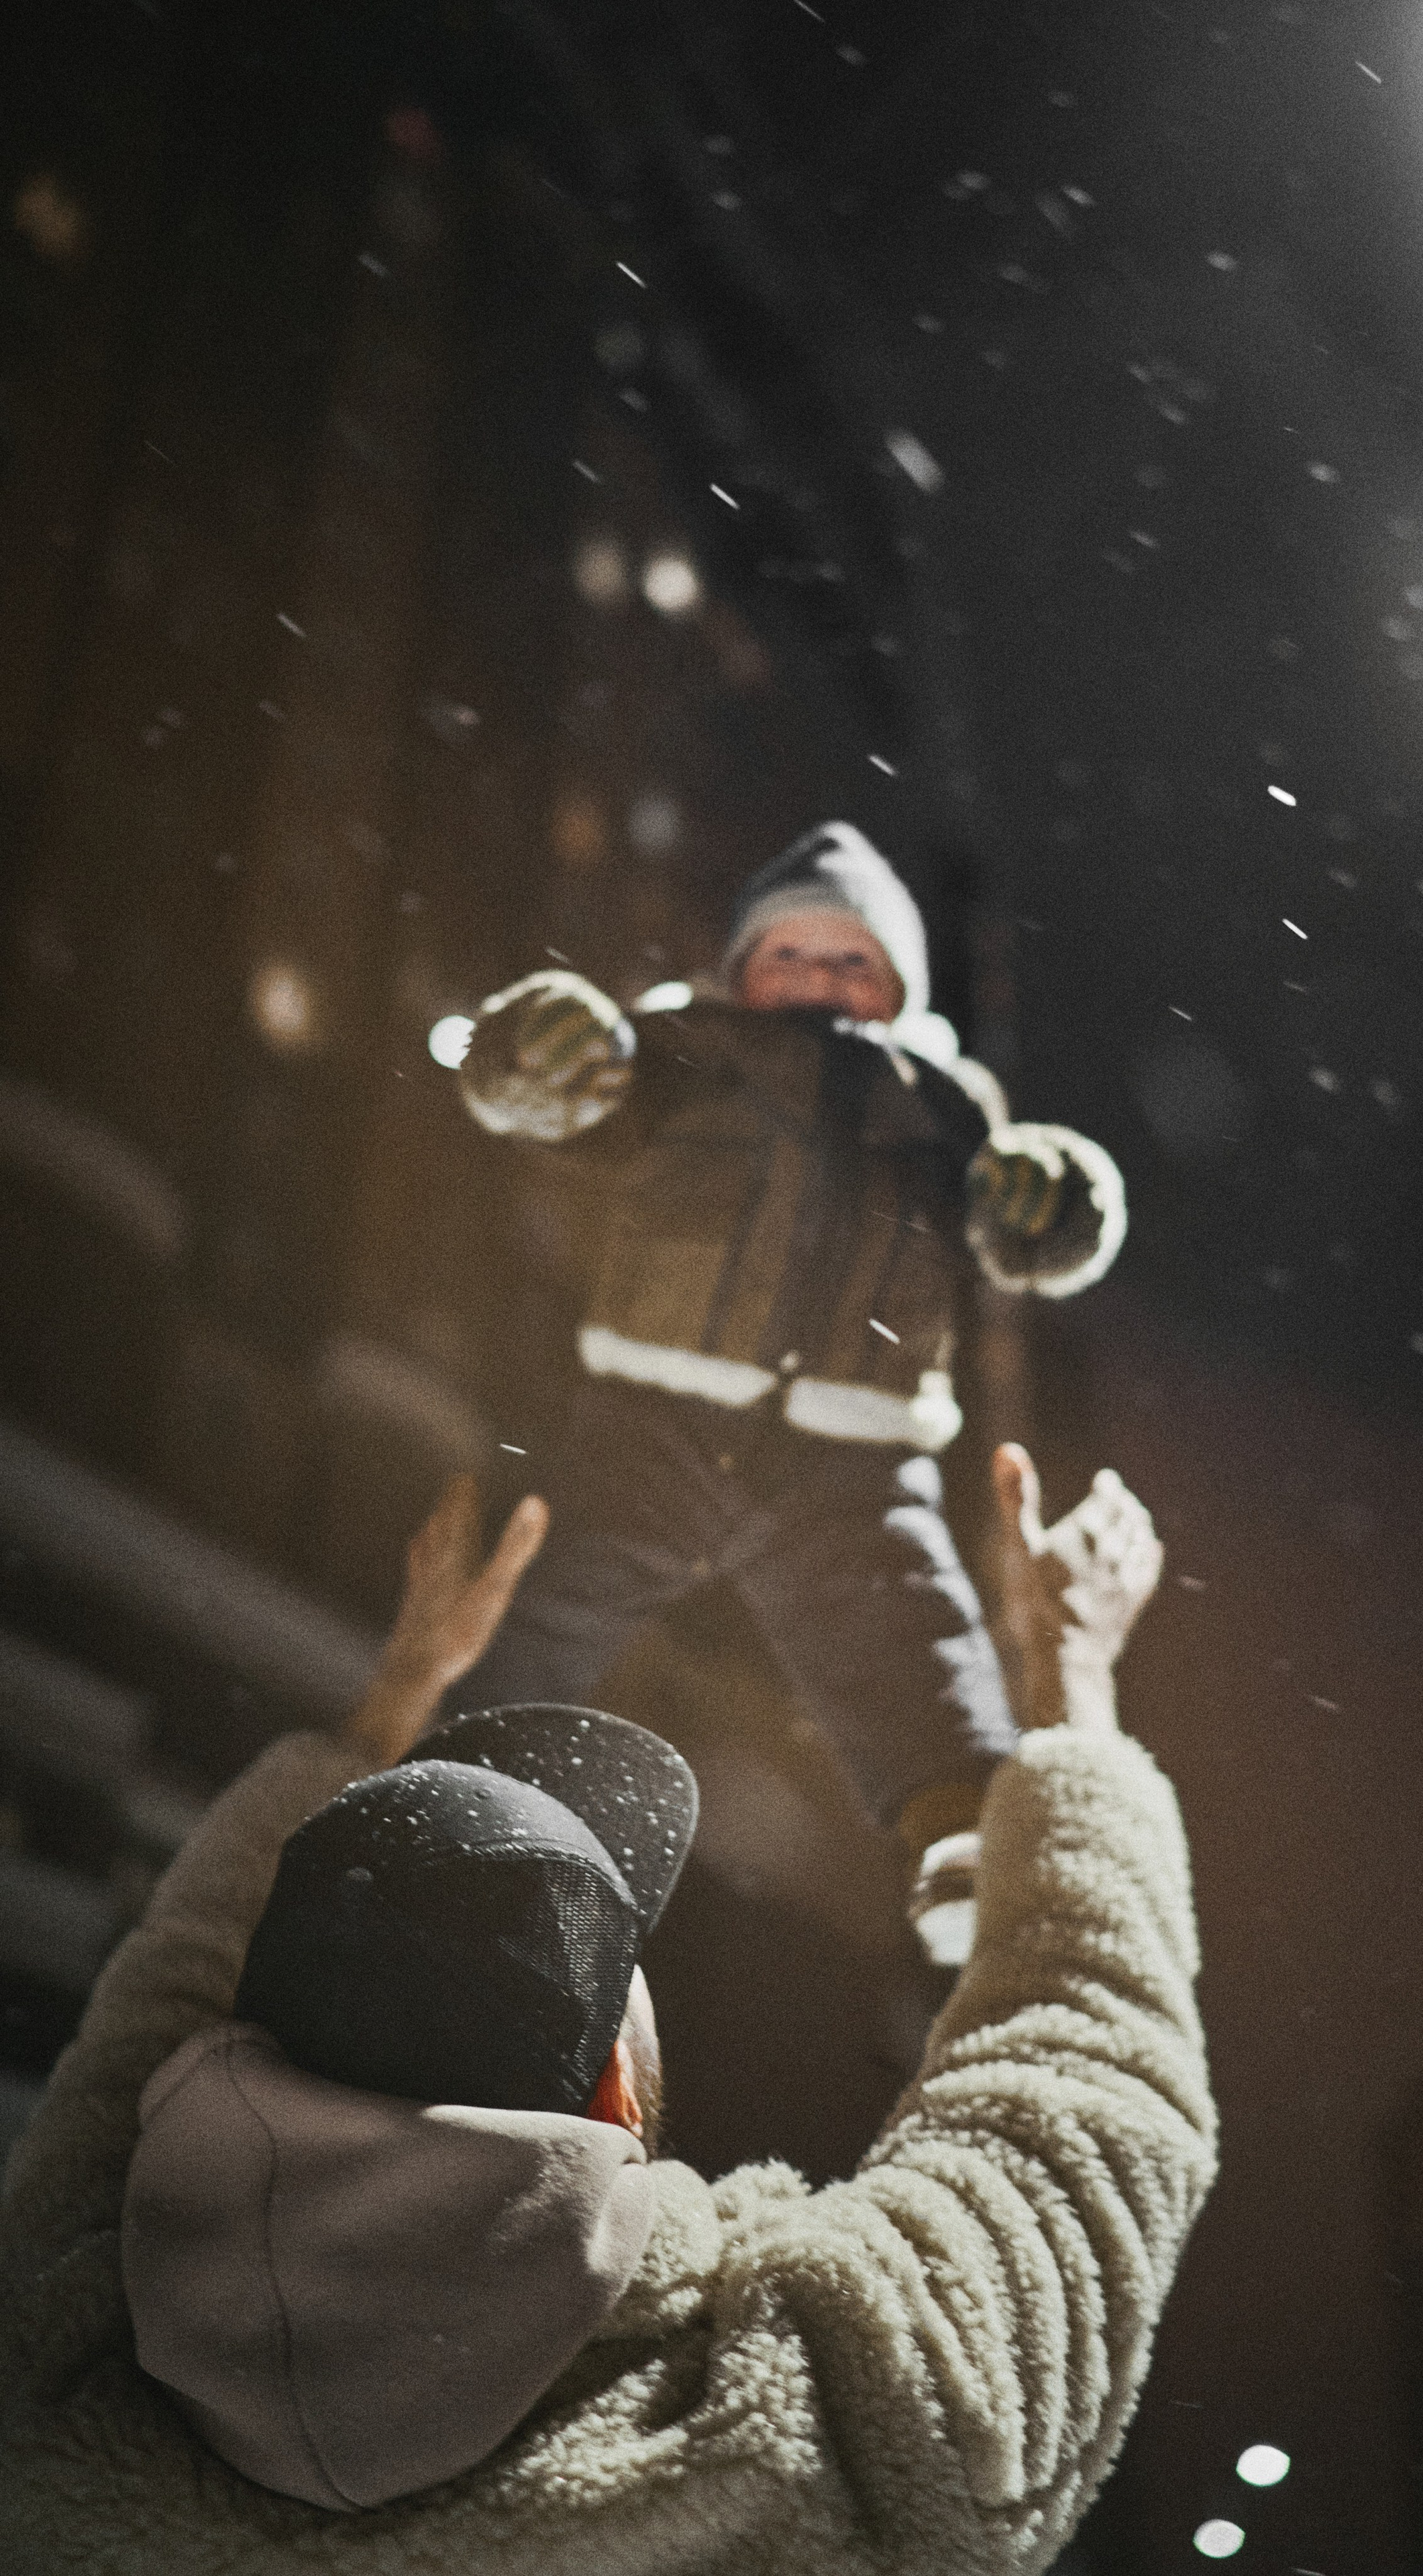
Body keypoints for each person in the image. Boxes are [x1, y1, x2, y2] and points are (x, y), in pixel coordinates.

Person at [0, 1443, 1216, 2573]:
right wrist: (1072, 1676)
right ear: (616, 2096)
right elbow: (1081, 2114)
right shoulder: (793, 2439)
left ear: (246, 2052)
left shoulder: (51, 2371)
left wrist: (400, 1697)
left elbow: (164, 1994)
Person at [453, 820, 1130, 1953]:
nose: (819, 981)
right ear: (737, 974)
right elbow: (563, 1109)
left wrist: (1048, 1205)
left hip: (851, 1460)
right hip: (655, 1418)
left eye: (851, 964)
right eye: (790, 959)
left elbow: (1027, 1231)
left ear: (900, 992)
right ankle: (450, 1774)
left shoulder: (947, 1107)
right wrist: (532, 1065)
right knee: (546, 1589)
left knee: (908, 1632)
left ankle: (960, 1832)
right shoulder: (676, 1052)